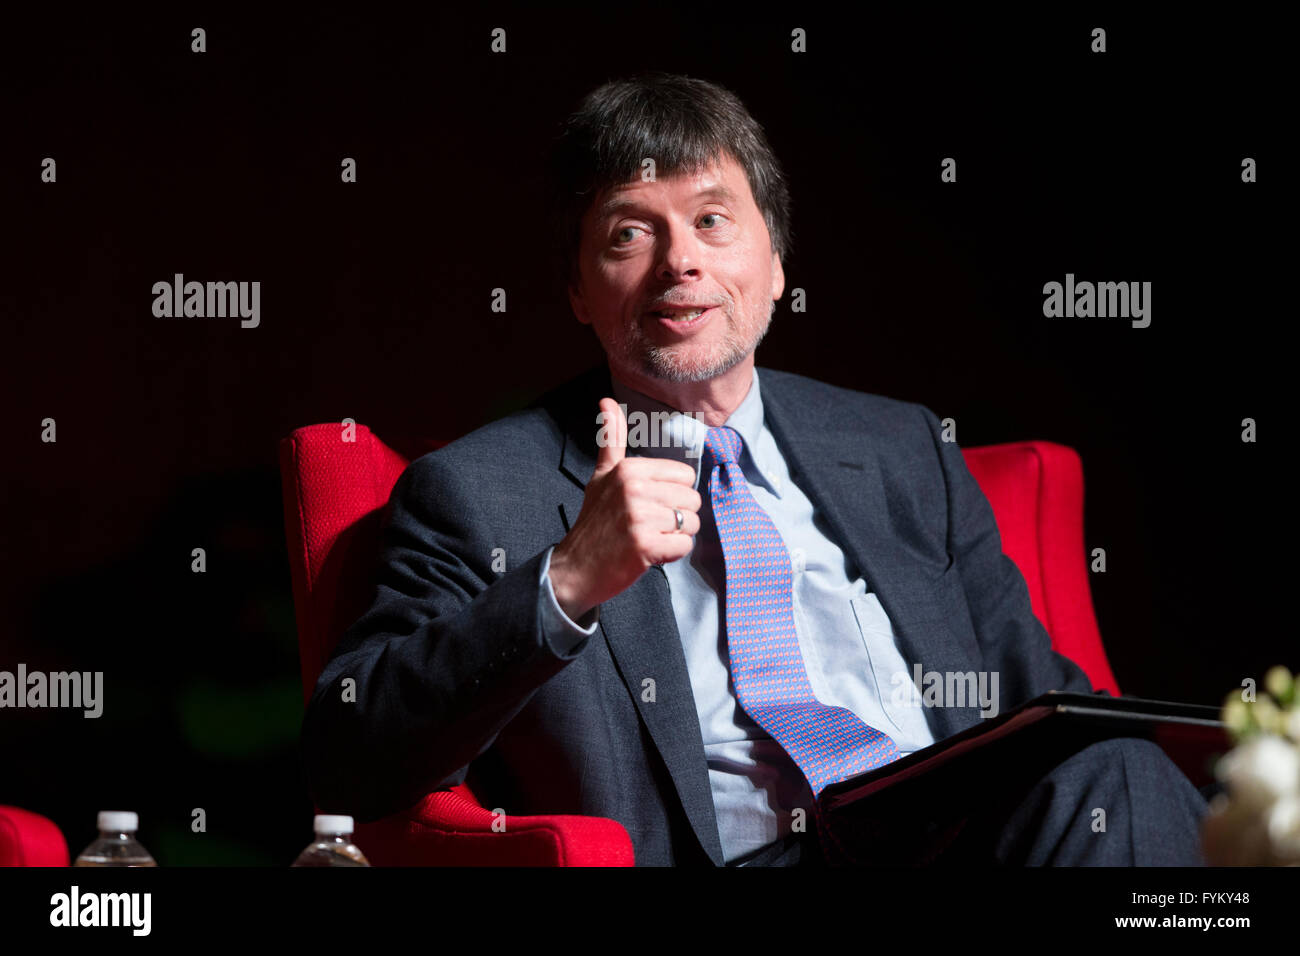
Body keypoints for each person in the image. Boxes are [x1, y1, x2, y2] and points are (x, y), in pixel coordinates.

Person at [301, 73, 1208, 866]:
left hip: (967, 839)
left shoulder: (902, 449)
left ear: (774, 263)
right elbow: (346, 753)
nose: (680, 261)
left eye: (710, 220)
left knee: (1118, 775)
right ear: (578, 289)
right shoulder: (483, 492)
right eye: (628, 234)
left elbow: (1043, 699)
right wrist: (572, 579)